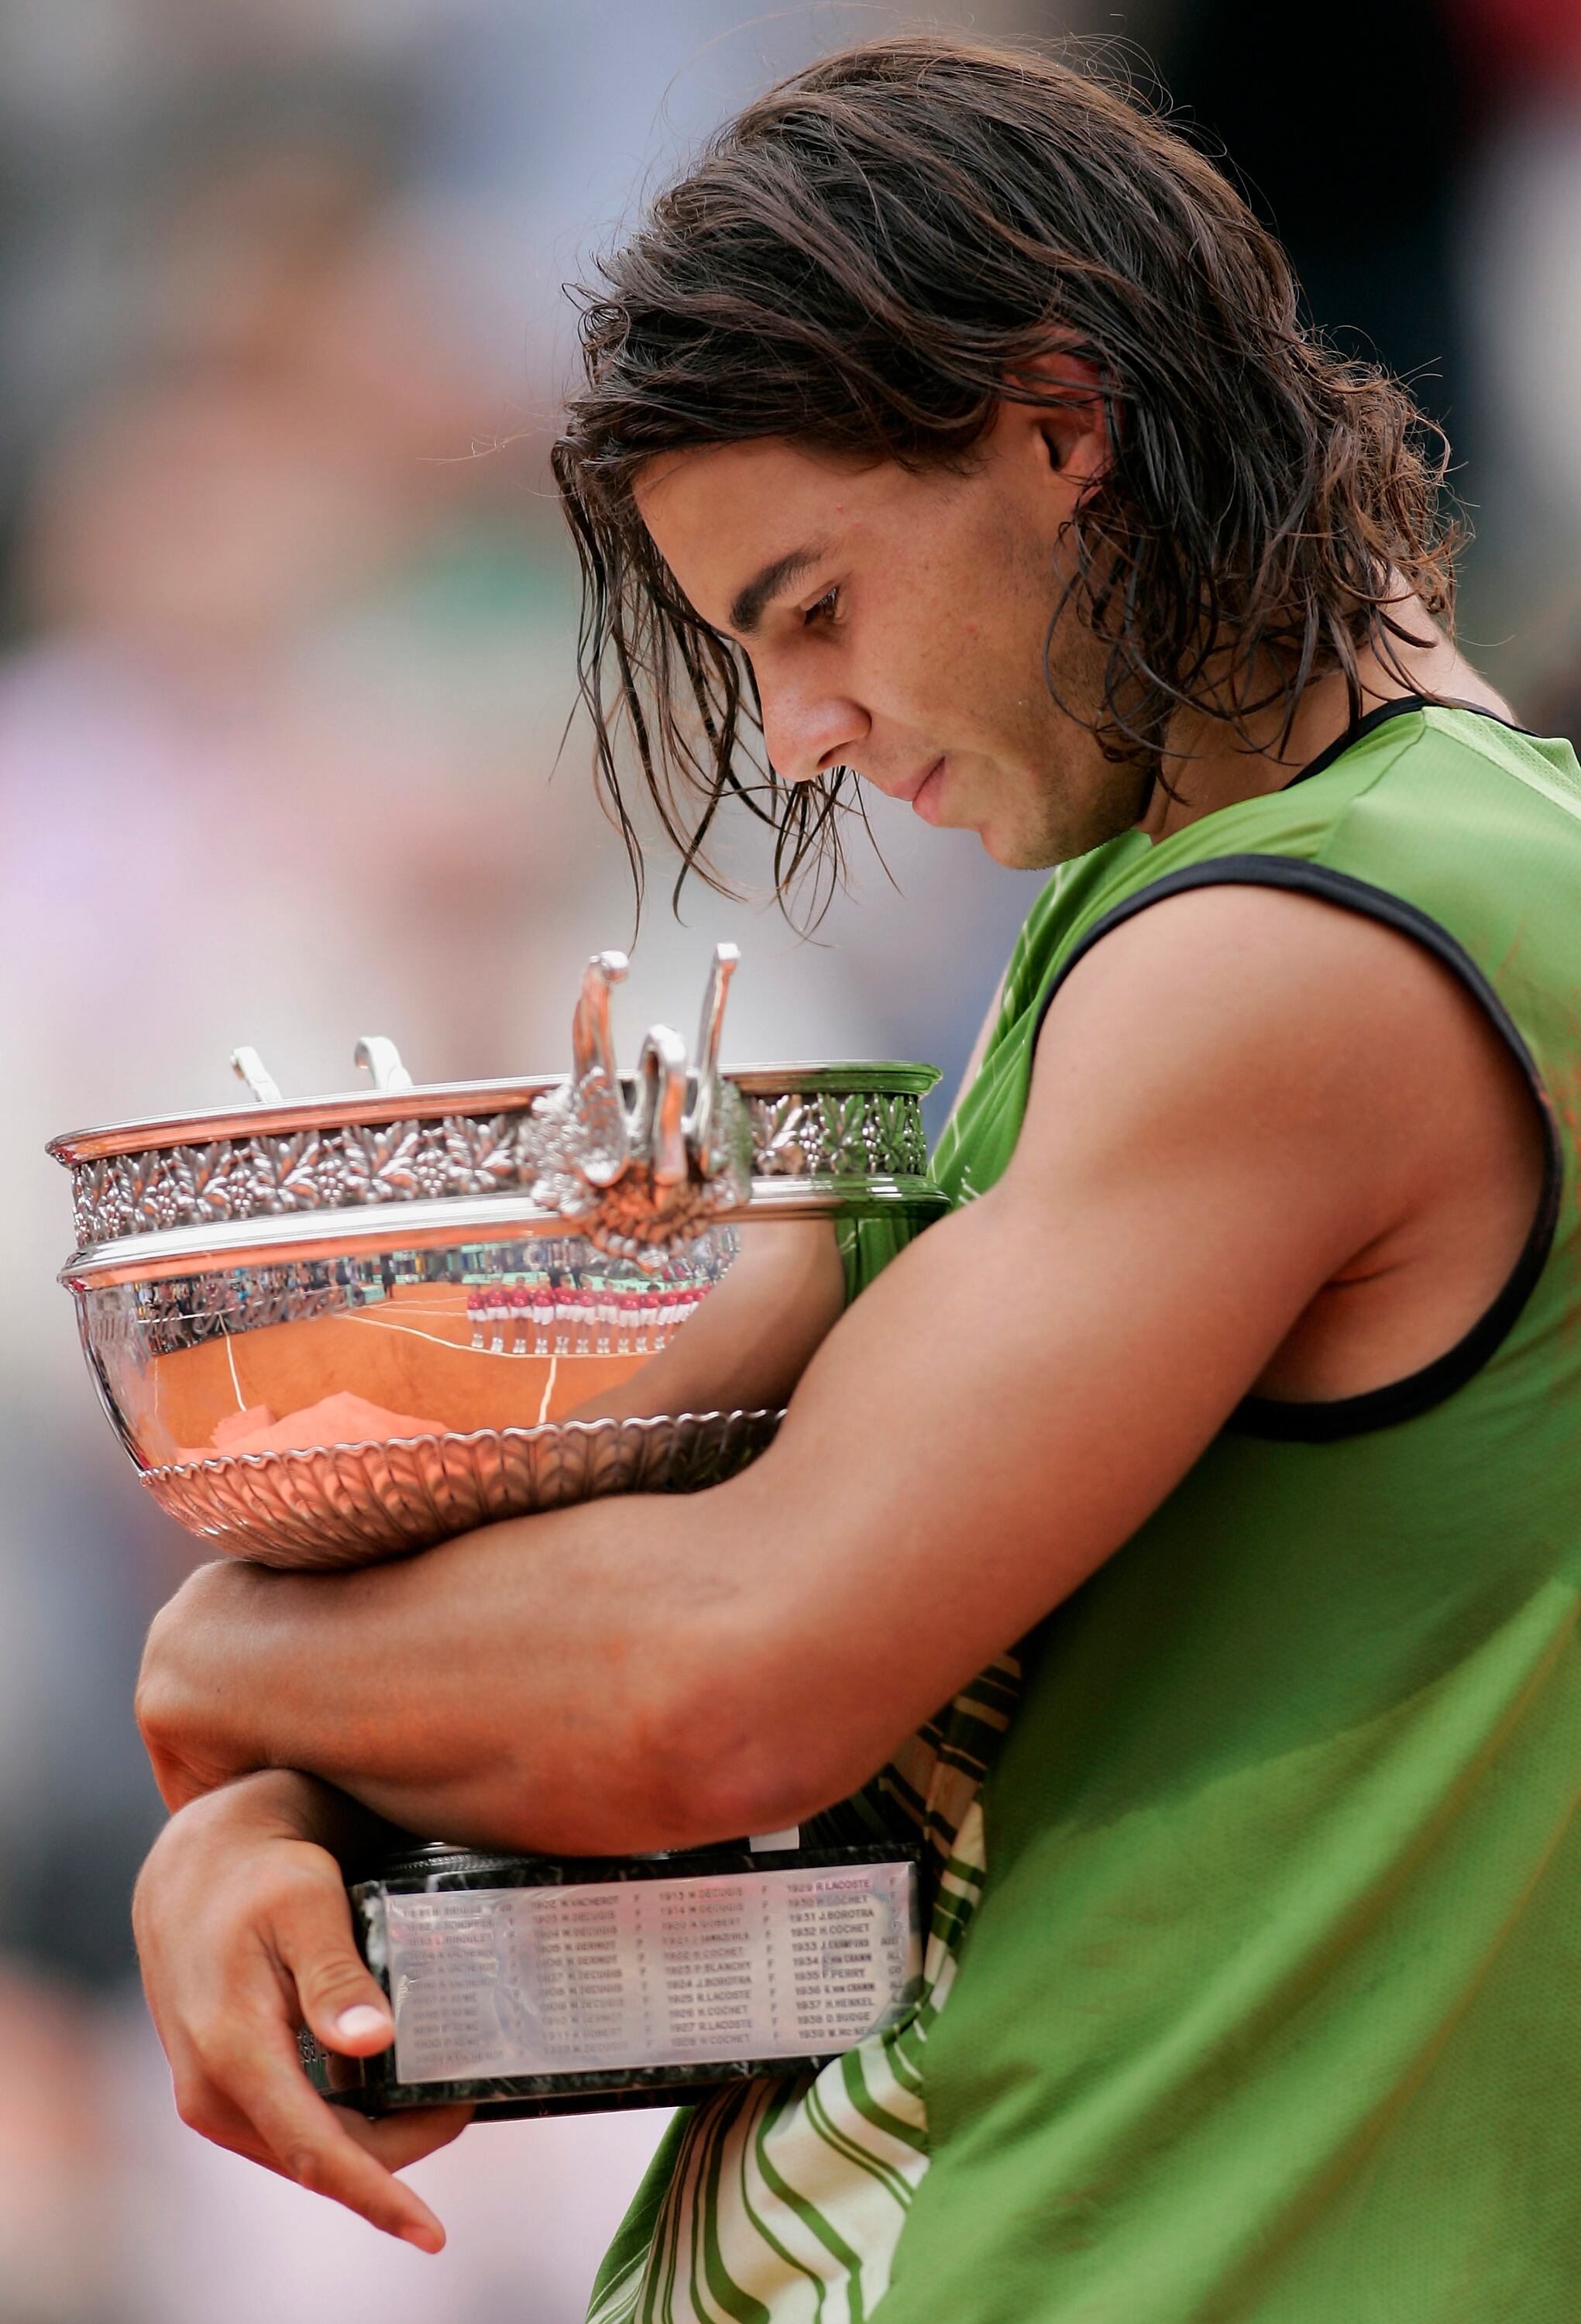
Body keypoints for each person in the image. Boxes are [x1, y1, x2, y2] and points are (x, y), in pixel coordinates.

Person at [129, 36, 1581, 2324]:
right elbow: (901, 1848)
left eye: (809, 608)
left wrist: (229, 1659)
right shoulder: (1195, 918)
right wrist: (317, 1846)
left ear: (1054, 423)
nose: (796, 728)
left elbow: (718, 1686)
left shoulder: (1307, 951)